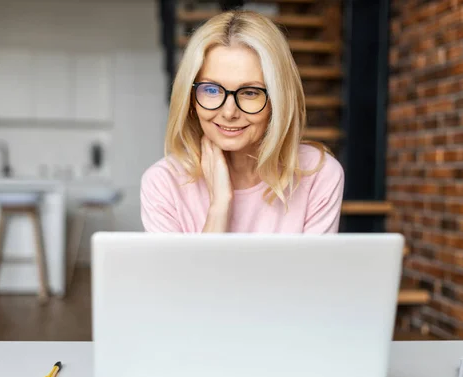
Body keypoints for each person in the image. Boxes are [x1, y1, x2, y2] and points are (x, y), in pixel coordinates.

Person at [140, 10, 344, 233]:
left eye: (249, 92)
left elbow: (312, 269)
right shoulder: (163, 184)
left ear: (278, 100)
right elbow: (188, 271)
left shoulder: (318, 175)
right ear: (190, 99)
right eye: (211, 89)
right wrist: (219, 206)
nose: (229, 112)